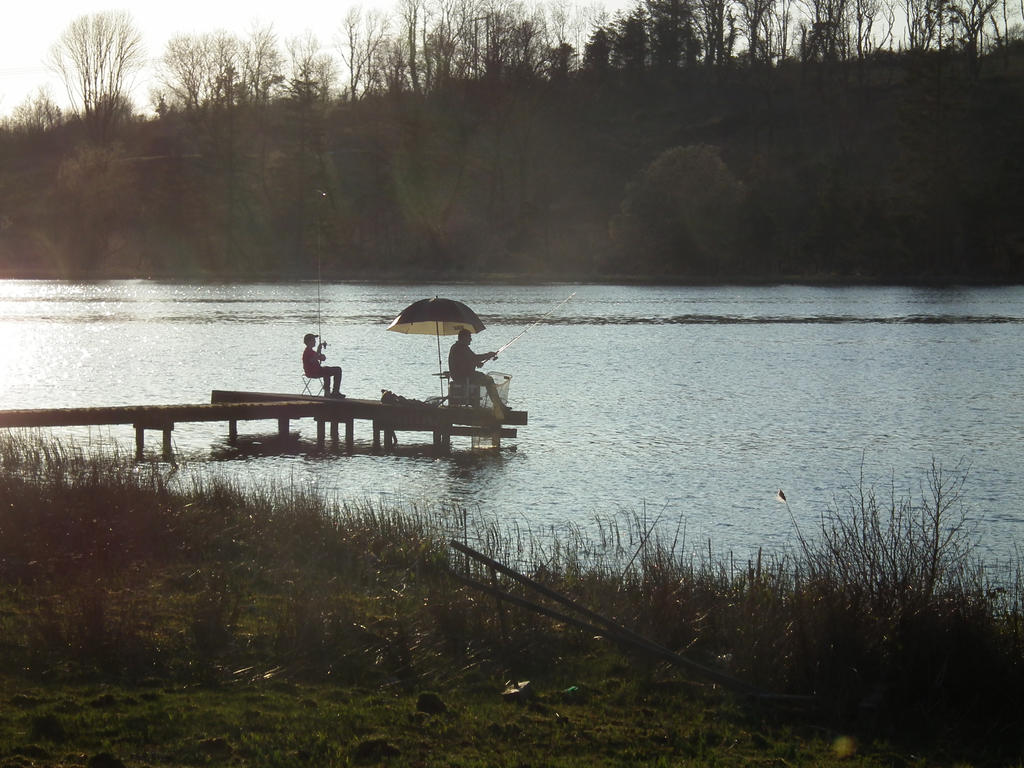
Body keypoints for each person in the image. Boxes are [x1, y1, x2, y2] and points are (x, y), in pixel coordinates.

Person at [448, 329, 509, 419]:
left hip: (463, 375)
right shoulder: (460, 348)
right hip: (464, 377)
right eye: (469, 337)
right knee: (489, 380)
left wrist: (476, 363)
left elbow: (470, 359)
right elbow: (474, 358)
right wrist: (488, 355)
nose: (470, 340)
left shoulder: (459, 347)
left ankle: (493, 404)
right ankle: (498, 405)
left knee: (485, 378)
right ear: (464, 337)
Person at [303, 333, 344, 398]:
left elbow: (322, 358)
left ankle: (334, 392)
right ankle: (329, 392)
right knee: (328, 371)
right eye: (313, 340)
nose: (315, 341)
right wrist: (318, 351)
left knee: (336, 369)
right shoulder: (307, 352)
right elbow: (312, 360)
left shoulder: (312, 351)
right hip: (312, 372)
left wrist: (321, 355)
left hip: (318, 370)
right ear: (309, 342)